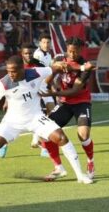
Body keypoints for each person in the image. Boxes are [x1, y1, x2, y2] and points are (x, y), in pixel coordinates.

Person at [0, 55, 93, 186]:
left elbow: (57, 67)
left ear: (22, 69)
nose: (10, 74)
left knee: (61, 138)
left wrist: (83, 67)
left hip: (35, 118)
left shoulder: (36, 72)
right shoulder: (4, 83)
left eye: (14, 71)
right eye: (8, 71)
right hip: (12, 121)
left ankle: (80, 175)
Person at [40, 37, 95, 181]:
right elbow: (50, 73)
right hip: (65, 103)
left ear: (80, 50)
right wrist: (49, 85)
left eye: (75, 52)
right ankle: (58, 167)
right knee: (45, 132)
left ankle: (90, 161)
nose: (72, 54)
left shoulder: (85, 65)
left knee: (83, 135)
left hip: (81, 101)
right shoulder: (59, 57)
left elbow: (75, 90)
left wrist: (54, 93)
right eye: (70, 51)